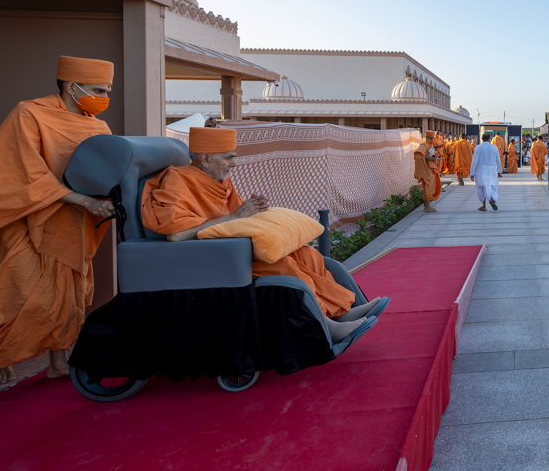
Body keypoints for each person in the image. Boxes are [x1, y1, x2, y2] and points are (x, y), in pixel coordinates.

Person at [142, 127, 382, 342]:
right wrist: (235, 217)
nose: (234, 164)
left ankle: (341, 311)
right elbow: (177, 235)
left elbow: (237, 218)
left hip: (235, 248)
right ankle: (326, 326)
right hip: (211, 258)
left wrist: (253, 214)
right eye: (229, 157)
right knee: (284, 266)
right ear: (205, 159)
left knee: (306, 254)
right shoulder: (178, 181)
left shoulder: (219, 180)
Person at [0, 56, 118, 383]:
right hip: (31, 219)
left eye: (108, 90)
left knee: (69, 295)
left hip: (74, 224)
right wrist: (82, 201)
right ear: (71, 87)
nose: (103, 97)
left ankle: (58, 362)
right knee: (18, 292)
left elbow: (106, 169)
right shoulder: (29, 114)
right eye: (97, 90)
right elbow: (24, 171)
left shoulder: (98, 126)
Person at [470, 133, 502, 211]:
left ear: (482, 139)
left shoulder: (478, 147)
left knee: (482, 187)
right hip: (492, 170)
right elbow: (498, 160)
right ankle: (492, 199)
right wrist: (499, 171)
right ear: (489, 139)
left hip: (481, 170)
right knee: (492, 186)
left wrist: (472, 173)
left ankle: (484, 205)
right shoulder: (494, 147)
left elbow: (474, 161)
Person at [414, 131, 443, 212]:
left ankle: (427, 206)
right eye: (430, 138)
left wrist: (435, 157)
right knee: (429, 188)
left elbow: (433, 155)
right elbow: (418, 157)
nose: (432, 139)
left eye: (432, 138)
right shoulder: (423, 145)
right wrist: (427, 158)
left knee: (430, 188)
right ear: (426, 138)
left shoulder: (431, 145)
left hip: (431, 169)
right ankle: (428, 207)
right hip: (426, 170)